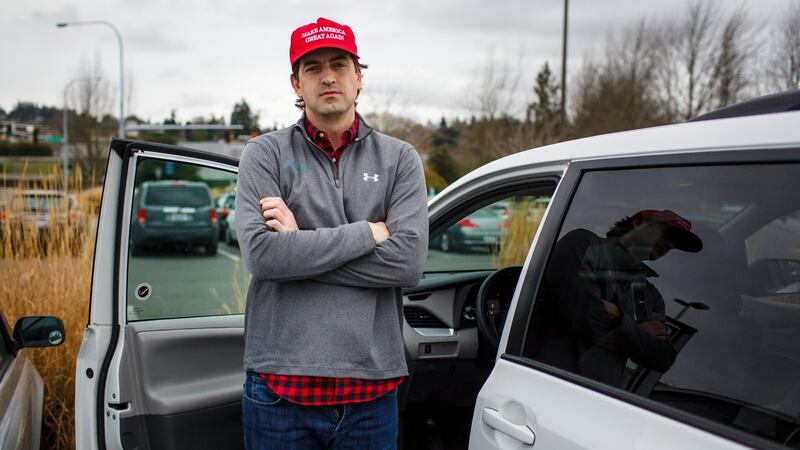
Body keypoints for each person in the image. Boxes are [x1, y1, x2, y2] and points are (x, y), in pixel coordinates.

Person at [234, 17, 428, 450]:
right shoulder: (263, 154)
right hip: (279, 390)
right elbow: (263, 257)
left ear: (358, 77)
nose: (327, 76)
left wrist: (299, 243)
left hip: (371, 394)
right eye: (313, 67)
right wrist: (368, 233)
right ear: (296, 84)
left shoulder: (400, 159)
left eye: (339, 64)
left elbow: (408, 263)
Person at [527, 209, 703, 387]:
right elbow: (578, 317)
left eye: (676, 243)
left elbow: (662, 358)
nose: (670, 245)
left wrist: (619, 317)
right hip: (540, 379)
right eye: (667, 233)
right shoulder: (583, 243)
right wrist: (638, 332)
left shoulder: (649, 295)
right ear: (638, 223)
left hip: (600, 397)